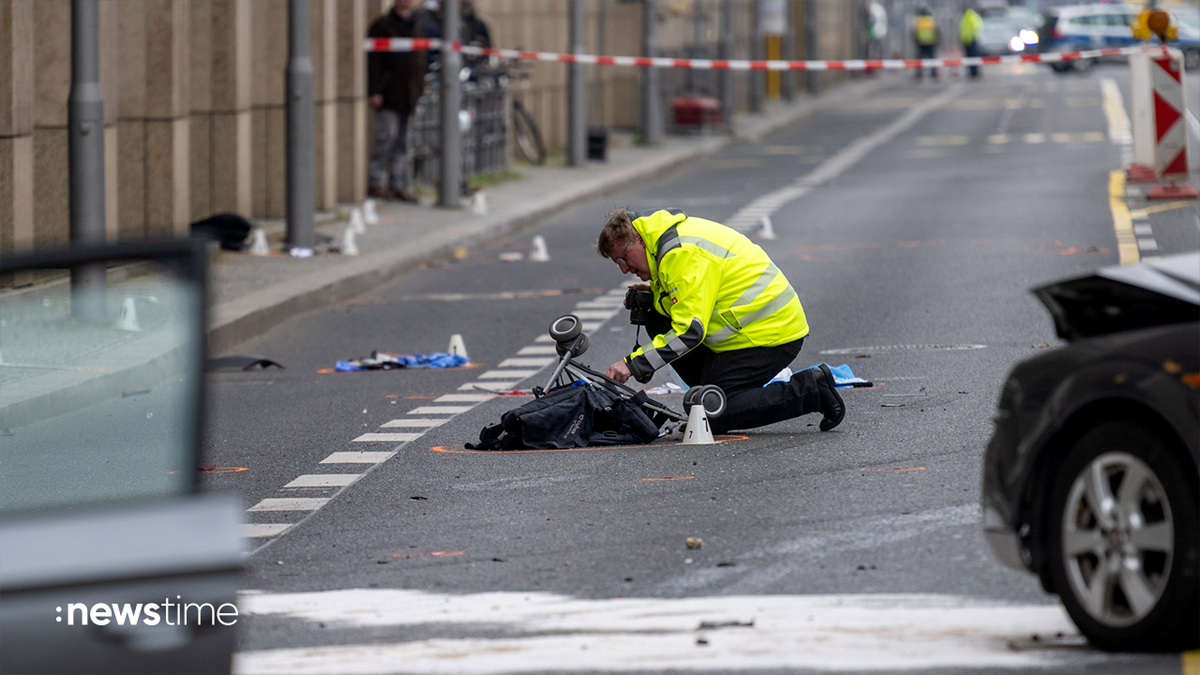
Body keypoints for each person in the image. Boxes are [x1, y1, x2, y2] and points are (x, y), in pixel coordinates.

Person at [597, 207, 845, 434]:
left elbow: (689, 332)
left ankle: (813, 389)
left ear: (638, 239)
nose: (623, 269)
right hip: (745, 332)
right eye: (616, 262)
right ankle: (714, 394)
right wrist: (655, 297)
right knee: (656, 317)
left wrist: (633, 364)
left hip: (770, 334)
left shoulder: (680, 254)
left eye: (623, 258)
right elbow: (691, 300)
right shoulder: (662, 241)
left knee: (712, 416)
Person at [367, 0, 428, 203]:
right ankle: (375, 181)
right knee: (387, 136)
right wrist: (375, 90)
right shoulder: (382, 25)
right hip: (389, 92)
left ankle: (397, 184)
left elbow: (421, 58)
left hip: (409, 93)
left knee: (402, 142)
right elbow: (374, 60)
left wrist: (420, 87)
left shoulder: (417, 25)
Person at [912, 6, 940, 81]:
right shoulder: (931, 20)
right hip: (930, 42)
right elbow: (936, 32)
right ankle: (934, 74)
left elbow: (915, 32)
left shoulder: (918, 21)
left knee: (919, 60)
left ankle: (919, 75)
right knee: (932, 60)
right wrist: (937, 42)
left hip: (921, 43)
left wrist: (916, 41)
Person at [960, 4, 983, 78]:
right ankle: (972, 73)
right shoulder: (966, 17)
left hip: (971, 40)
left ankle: (975, 73)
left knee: (973, 57)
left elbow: (975, 28)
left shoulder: (970, 17)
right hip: (966, 40)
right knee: (969, 58)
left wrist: (974, 37)